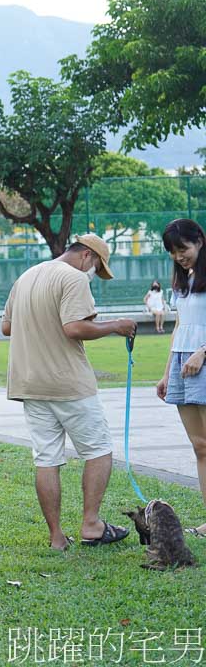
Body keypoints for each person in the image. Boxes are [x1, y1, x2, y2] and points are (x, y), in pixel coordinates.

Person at [2, 233, 135, 551]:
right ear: (87, 256)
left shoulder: (27, 276)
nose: (93, 275)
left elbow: (7, 327)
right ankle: (91, 524)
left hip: (29, 383)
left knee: (46, 458)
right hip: (68, 383)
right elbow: (74, 328)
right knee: (99, 449)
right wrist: (115, 326)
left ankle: (56, 537)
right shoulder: (74, 278)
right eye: (96, 268)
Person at [155, 219, 206, 537]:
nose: (179, 256)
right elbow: (178, 326)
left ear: (199, 240)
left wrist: (202, 352)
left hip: (202, 360)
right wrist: (166, 373)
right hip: (181, 363)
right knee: (200, 446)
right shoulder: (181, 280)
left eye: (183, 249)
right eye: (173, 252)